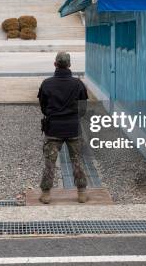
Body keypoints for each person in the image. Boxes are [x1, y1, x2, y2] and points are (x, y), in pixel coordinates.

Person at [37, 51, 89, 204]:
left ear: (55, 64)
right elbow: (83, 109)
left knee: (50, 162)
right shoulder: (78, 84)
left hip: (53, 129)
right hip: (73, 128)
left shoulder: (46, 84)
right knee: (77, 161)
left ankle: (46, 194)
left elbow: (43, 108)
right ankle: (81, 192)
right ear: (70, 65)